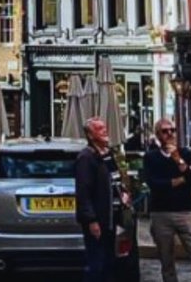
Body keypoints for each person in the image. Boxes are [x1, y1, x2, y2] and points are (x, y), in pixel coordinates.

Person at [142, 118, 191, 282]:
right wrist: (177, 181)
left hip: (185, 212)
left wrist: (179, 161)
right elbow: (153, 183)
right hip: (161, 213)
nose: (170, 134)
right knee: (166, 260)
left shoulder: (186, 154)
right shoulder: (151, 157)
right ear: (157, 135)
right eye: (165, 131)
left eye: (172, 130)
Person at [74, 117, 126, 282]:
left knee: (109, 263)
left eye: (104, 127)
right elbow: (83, 192)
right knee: (97, 263)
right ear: (90, 135)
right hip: (99, 218)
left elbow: (115, 180)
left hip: (112, 218)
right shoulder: (86, 158)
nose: (105, 131)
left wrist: (123, 193)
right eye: (99, 129)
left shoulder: (108, 155)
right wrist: (91, 220)